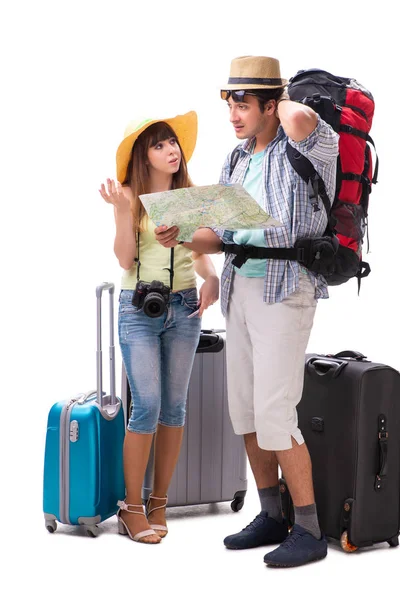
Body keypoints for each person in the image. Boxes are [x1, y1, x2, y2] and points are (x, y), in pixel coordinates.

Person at [155, 56, 339, 567]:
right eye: (230, 102)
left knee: (278, 414)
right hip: (242, 291)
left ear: (270, 104)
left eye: (243, 103)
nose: (233, 113)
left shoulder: (306, 144)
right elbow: (223, 233)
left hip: (287, 292)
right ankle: (272, 513)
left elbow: (299, 118)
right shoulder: (237, 161)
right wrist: (184, 234)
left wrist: (278, 98)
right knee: (247, 411)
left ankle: (309, 529)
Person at [99, 112, 219, 544]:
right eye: (160, 144)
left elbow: (201, 255)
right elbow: (126, 261)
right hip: (139, 309)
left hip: (185, 307)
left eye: (173, 143)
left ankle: (159, 502)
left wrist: (211, 278)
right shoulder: (131, 196)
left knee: (175, 408)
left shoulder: (190, 196)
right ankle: (132, 509)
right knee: (146, 405)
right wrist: (122, 212)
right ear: (143, 157)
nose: (171, 150)